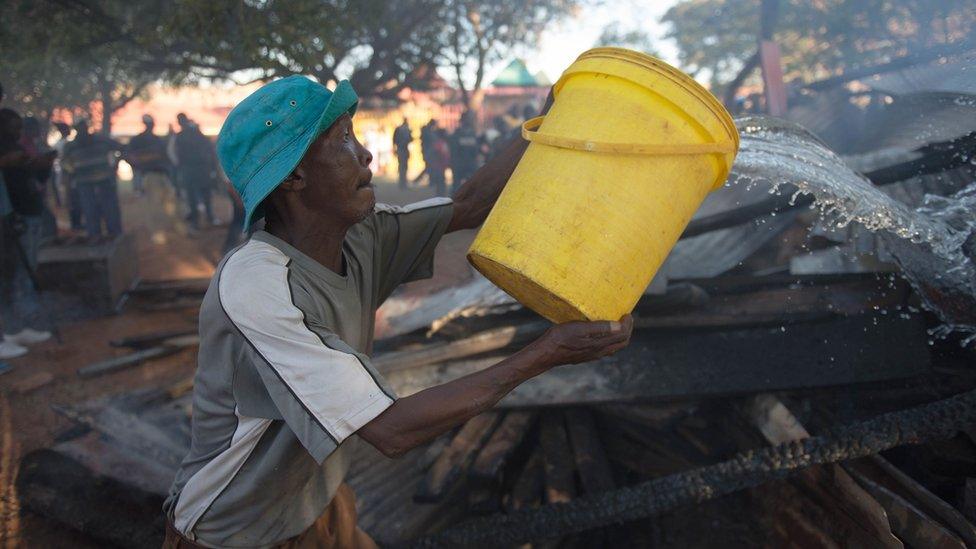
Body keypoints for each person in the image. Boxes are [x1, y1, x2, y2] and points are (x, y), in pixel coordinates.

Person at [162, 76, 633, 548]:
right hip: (234, 535)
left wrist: (548, 118)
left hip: (315, 509)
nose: (365, 154)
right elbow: (391, 429)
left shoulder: (362, 236)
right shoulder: (257, 285)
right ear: (294, 178)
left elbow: (470, 204)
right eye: (343, 139)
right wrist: (548, 353)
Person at [0, 108, 54, 350]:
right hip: (16, 218)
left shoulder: (18, 149)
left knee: (27, 268)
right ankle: (15, 324)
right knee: (16, 273)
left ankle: (19, 327)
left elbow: (37, 178)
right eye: (14, 127)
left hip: (30, 215)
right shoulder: (5, 151)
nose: (18, 132)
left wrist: (44, 165)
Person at [61, 120, 123, 239]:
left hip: (105, 182)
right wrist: (68, 192)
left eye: (83, 127)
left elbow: (122, 148)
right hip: (84, 184)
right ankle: (95, 239)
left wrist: (115, 166)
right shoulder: (70, 147)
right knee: (90, 212)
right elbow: (66, 168)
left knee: (110, 212)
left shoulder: (102, 140)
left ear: (87, 127)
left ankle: (115, 239)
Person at [173, 118, 219, 228]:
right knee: (199, 197)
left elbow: (177, 155)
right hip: (195, 170)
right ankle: (202, 219)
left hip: (195, 170)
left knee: (197, 197)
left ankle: (200, 220)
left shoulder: (181, 137)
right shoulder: (198, 137)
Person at [125, 114, 169, 195]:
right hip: (141, 173)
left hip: (157, 173)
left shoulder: (157, 140)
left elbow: (164, 156)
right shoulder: (137, 140)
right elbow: (129, 156)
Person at [449, 110, 479, 189]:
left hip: (470, 164)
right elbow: (453, 151)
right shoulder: (457, 134)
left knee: (472, 187)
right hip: (460, 165)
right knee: (456, 187)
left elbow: (475, 151)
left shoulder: (472, 133)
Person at [428, 127, 451, 197]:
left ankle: (440, 194)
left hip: (439, 166)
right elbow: (441, 154)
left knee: (440, 181)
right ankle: (440, 194)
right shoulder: (441, 143)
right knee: (440, 181)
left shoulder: (439, 143)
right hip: (440, 166)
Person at [392, 118, 411, 189]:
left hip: (400, 150)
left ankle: (402, 183)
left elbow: (394, 140)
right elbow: (410, 139)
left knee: (401, 167)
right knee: (404, 167)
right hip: (404, 150)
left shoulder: (398, 129)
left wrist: (394, 148)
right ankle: (403, 184)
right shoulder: (407, 129)